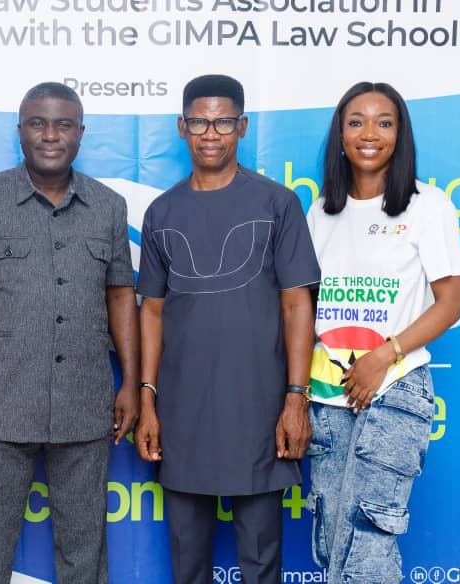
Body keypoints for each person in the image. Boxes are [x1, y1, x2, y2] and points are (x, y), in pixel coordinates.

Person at [0, 81, 139, 583]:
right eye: (38, 123)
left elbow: (120, 297)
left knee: (84, 554)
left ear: (81, 133)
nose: (50, 135)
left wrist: (132, 383)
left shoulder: (108, 206)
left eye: (63, 124)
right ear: (20, 131)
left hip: (83, 405)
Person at [134, 74, 320, 583]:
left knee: (261, 561)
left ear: (241, 126)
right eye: (199, 121)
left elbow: (296, 303)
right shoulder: (162, 211)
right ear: (181, 127)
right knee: (186, 560)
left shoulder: (276, 203)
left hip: (259, 406)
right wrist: (147, 399)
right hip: (182, 409)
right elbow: (151, 309)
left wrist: (295, 398)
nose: (210, 133)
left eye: (222, 122)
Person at [305, 82, 460, 583]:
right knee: (333, 540)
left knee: (367, 540)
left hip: (393, 390)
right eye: (356, 121)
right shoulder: (320, 212)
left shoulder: (426, 204)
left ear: (400, 133)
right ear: (341, 134)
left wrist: (384, 355)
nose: (369, 133)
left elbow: (454, 300)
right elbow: (304, 309)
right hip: (330, 395)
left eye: (384, 122)